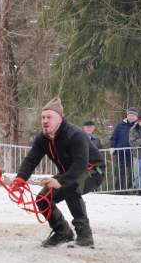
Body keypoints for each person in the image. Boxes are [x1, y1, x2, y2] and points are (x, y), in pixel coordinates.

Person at [10, 97, 105, 248]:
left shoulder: (75, 135)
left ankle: (85, 236)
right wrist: (20, 179)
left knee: (70, 187)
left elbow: (80, 164)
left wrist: (60, 181)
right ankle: (62, 232)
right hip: (69, 173)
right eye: (43, 117)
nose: (45, 121)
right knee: (42, 198)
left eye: (49, 117)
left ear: (60, 119)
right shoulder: (42, 138)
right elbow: (31, 160)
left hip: (93, 170)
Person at [110, 108, 138, 191]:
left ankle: (131, 190)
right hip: (120, 154)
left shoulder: (139, 125)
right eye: (129, 115)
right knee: (119, 174)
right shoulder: (120, 125)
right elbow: (114, 137)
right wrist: (112, 147)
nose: (131, 117)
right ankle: (119, 191)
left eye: (133, 115)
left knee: (133, 174)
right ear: (127, 115)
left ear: (136, 116)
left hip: (134, 154)